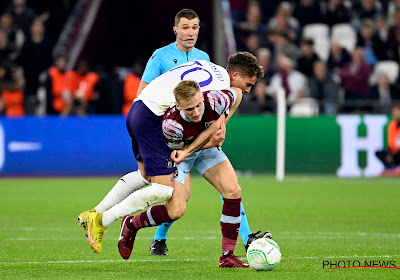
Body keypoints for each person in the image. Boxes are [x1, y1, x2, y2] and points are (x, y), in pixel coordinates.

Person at [77, 53, 264, 268]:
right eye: (248, 83)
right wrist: (188, 149)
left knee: (230, 190)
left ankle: (227, 256)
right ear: (236, 74)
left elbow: (219, 123)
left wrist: (214, 133)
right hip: (162, 127)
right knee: (168, 197)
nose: (249, 89)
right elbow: (204, 129)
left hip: (151, 114)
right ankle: (111, 221)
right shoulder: (173, 121)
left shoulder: (225, 91)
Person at [133, 8, 264, 257]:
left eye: (194, 28)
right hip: (175, 139)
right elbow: (143, 95)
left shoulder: (204, 57)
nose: (190, 32)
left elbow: (217, 101)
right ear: (176, 30)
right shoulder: (160, 57)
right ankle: (154, 235)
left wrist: (220, 123)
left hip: (201, 136)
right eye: (185, 27)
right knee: (181, 199)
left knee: (231, 189)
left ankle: (247, 241)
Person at [375, 105, 400, 176]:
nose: (396, 114)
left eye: (397, 112)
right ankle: (391, 169)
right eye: (394, 112)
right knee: (379, 153)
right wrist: (389, 153)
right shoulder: (391, 125)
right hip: (394, 151)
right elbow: (391, 141)